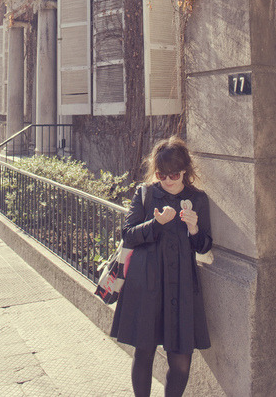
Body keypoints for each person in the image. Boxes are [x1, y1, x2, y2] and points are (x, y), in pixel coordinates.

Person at [110, 136, 212, 397]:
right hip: (147, 283)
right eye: (161, 174)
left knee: (181, 362)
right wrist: (156, 224)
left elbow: (204, 246)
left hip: (182, 286)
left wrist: (194, 228)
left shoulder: (197, 198)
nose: (167, 180)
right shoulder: (145, 194)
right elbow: (128, 234)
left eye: (174, 174)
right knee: (144, 353)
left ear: (185, 171)